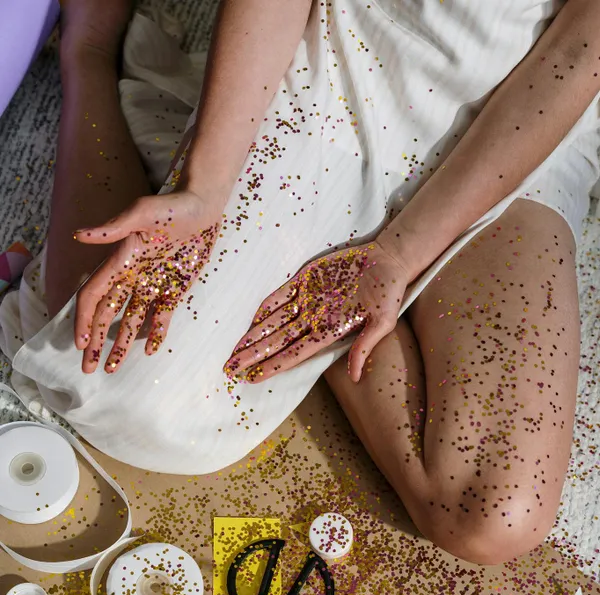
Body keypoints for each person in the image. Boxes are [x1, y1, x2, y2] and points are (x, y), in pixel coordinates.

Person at [0, 0, 599, 566]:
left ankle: (324, 300)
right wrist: (205, 189)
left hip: (523, 125)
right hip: (348, 62)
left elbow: (576, 56)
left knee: (492, 515)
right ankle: (89, 53)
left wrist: (399, 256)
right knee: (103, 362)